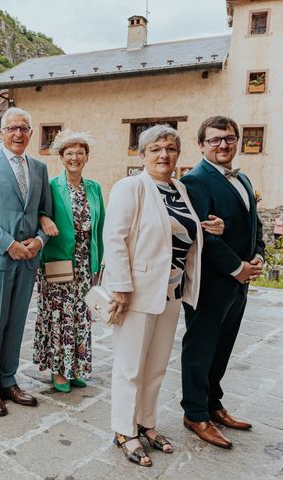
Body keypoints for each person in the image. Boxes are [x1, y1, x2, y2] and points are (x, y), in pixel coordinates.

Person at [103, 125, 224, 467]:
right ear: (142, 155)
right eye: (155, 149)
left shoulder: (180, 188)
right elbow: (114, 238)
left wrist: (208, 229)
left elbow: (182, 229)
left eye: (170, 149)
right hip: (137, 292)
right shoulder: (131, 187)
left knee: (155, 367)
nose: (163, 155)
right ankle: (124, 430)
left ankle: (146, 422)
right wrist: (121, 287)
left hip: (170, 291)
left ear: (178, 155)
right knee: (130, 367)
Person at [180, 116, 265, 449]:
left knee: (222, 347)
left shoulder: (242, 177)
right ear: (201, 145)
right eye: (214, 140)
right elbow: (202, 235)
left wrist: (257, 255)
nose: (223, 145)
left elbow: (253, 223)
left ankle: (214, 404)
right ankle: (195, 413)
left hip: (239, 283)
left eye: (229, 138)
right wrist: (236, 267)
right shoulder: (195, 180)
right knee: (200, 348)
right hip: (211, 281)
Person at [0, 107, 53, 416]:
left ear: (31, 133)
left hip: (28, 259)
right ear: (2, 133)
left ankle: (8, 380)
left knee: (17, 322)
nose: (18, 133)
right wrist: (8, 244)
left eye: (24, 128)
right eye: (12, 128)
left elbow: (46, 214)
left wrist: (39, 241)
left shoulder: (40, 168)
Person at [34, 130, 104, 392]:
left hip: (86, 265)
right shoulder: (52, 186)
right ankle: (58, 370)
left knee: (80, 318)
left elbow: (100, 227)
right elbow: (38, 213)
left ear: (86, 157)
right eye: (69, 153)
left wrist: (98, 265)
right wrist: (44, 219)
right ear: (62, 158)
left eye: (80, 153)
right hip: (59, 262)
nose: (75, 157)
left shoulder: (94, 188)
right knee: (58, 318)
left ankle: (75, 368)